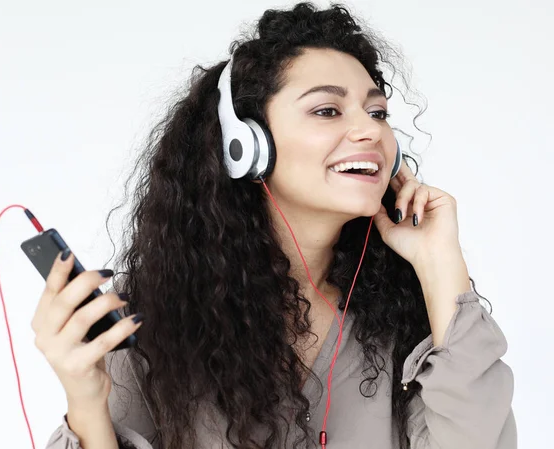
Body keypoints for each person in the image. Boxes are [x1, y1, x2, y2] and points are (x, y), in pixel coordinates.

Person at [35, 2, 516, 448]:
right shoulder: (152, 323)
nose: (371, 130)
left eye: (378, 112)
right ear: (245, 146)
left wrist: (439, 266)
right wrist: (86, 401)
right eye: (327, 110)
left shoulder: (400, 317)